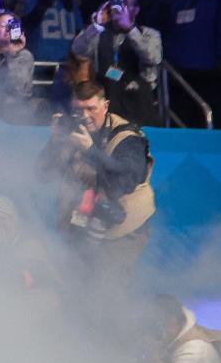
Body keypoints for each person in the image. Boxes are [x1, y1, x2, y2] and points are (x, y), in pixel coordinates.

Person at [36, 80, 155, 293]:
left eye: (91, 108)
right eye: (79, 110)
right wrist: (54, 141)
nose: (85, 116)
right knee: (76, 288)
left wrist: (90, 150)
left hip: (122, 226)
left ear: (105, 105)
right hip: (83, 223)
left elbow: (125, 182)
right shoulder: (72, 132)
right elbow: (42, 174)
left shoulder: (127, 137)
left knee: (107, 290)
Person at [71, 0, 162, 127]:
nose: (119, 9)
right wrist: (97, 25)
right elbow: (77, 49)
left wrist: (130, 28)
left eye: (125, 4)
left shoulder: (148, 33)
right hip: (107, 95)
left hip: (138, 98)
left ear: (136, 10)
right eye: (116, 4)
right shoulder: (100, 32)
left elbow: (153, 58)